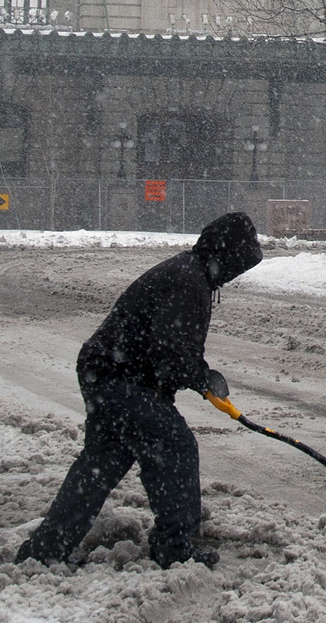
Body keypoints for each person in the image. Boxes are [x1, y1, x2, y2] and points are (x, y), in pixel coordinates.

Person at [15, 210, 264, 569]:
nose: (237, 274)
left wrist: (198, 373)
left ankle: (45, 549)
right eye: (240, 264)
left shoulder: (192, 275)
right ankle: (174, 548)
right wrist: (202, 377)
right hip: (120, 378)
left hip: (106, 374)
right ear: (225, 255)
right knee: (175, 447)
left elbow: (174, 348)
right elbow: (170, 353)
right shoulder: (187, 282)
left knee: (102, 462)